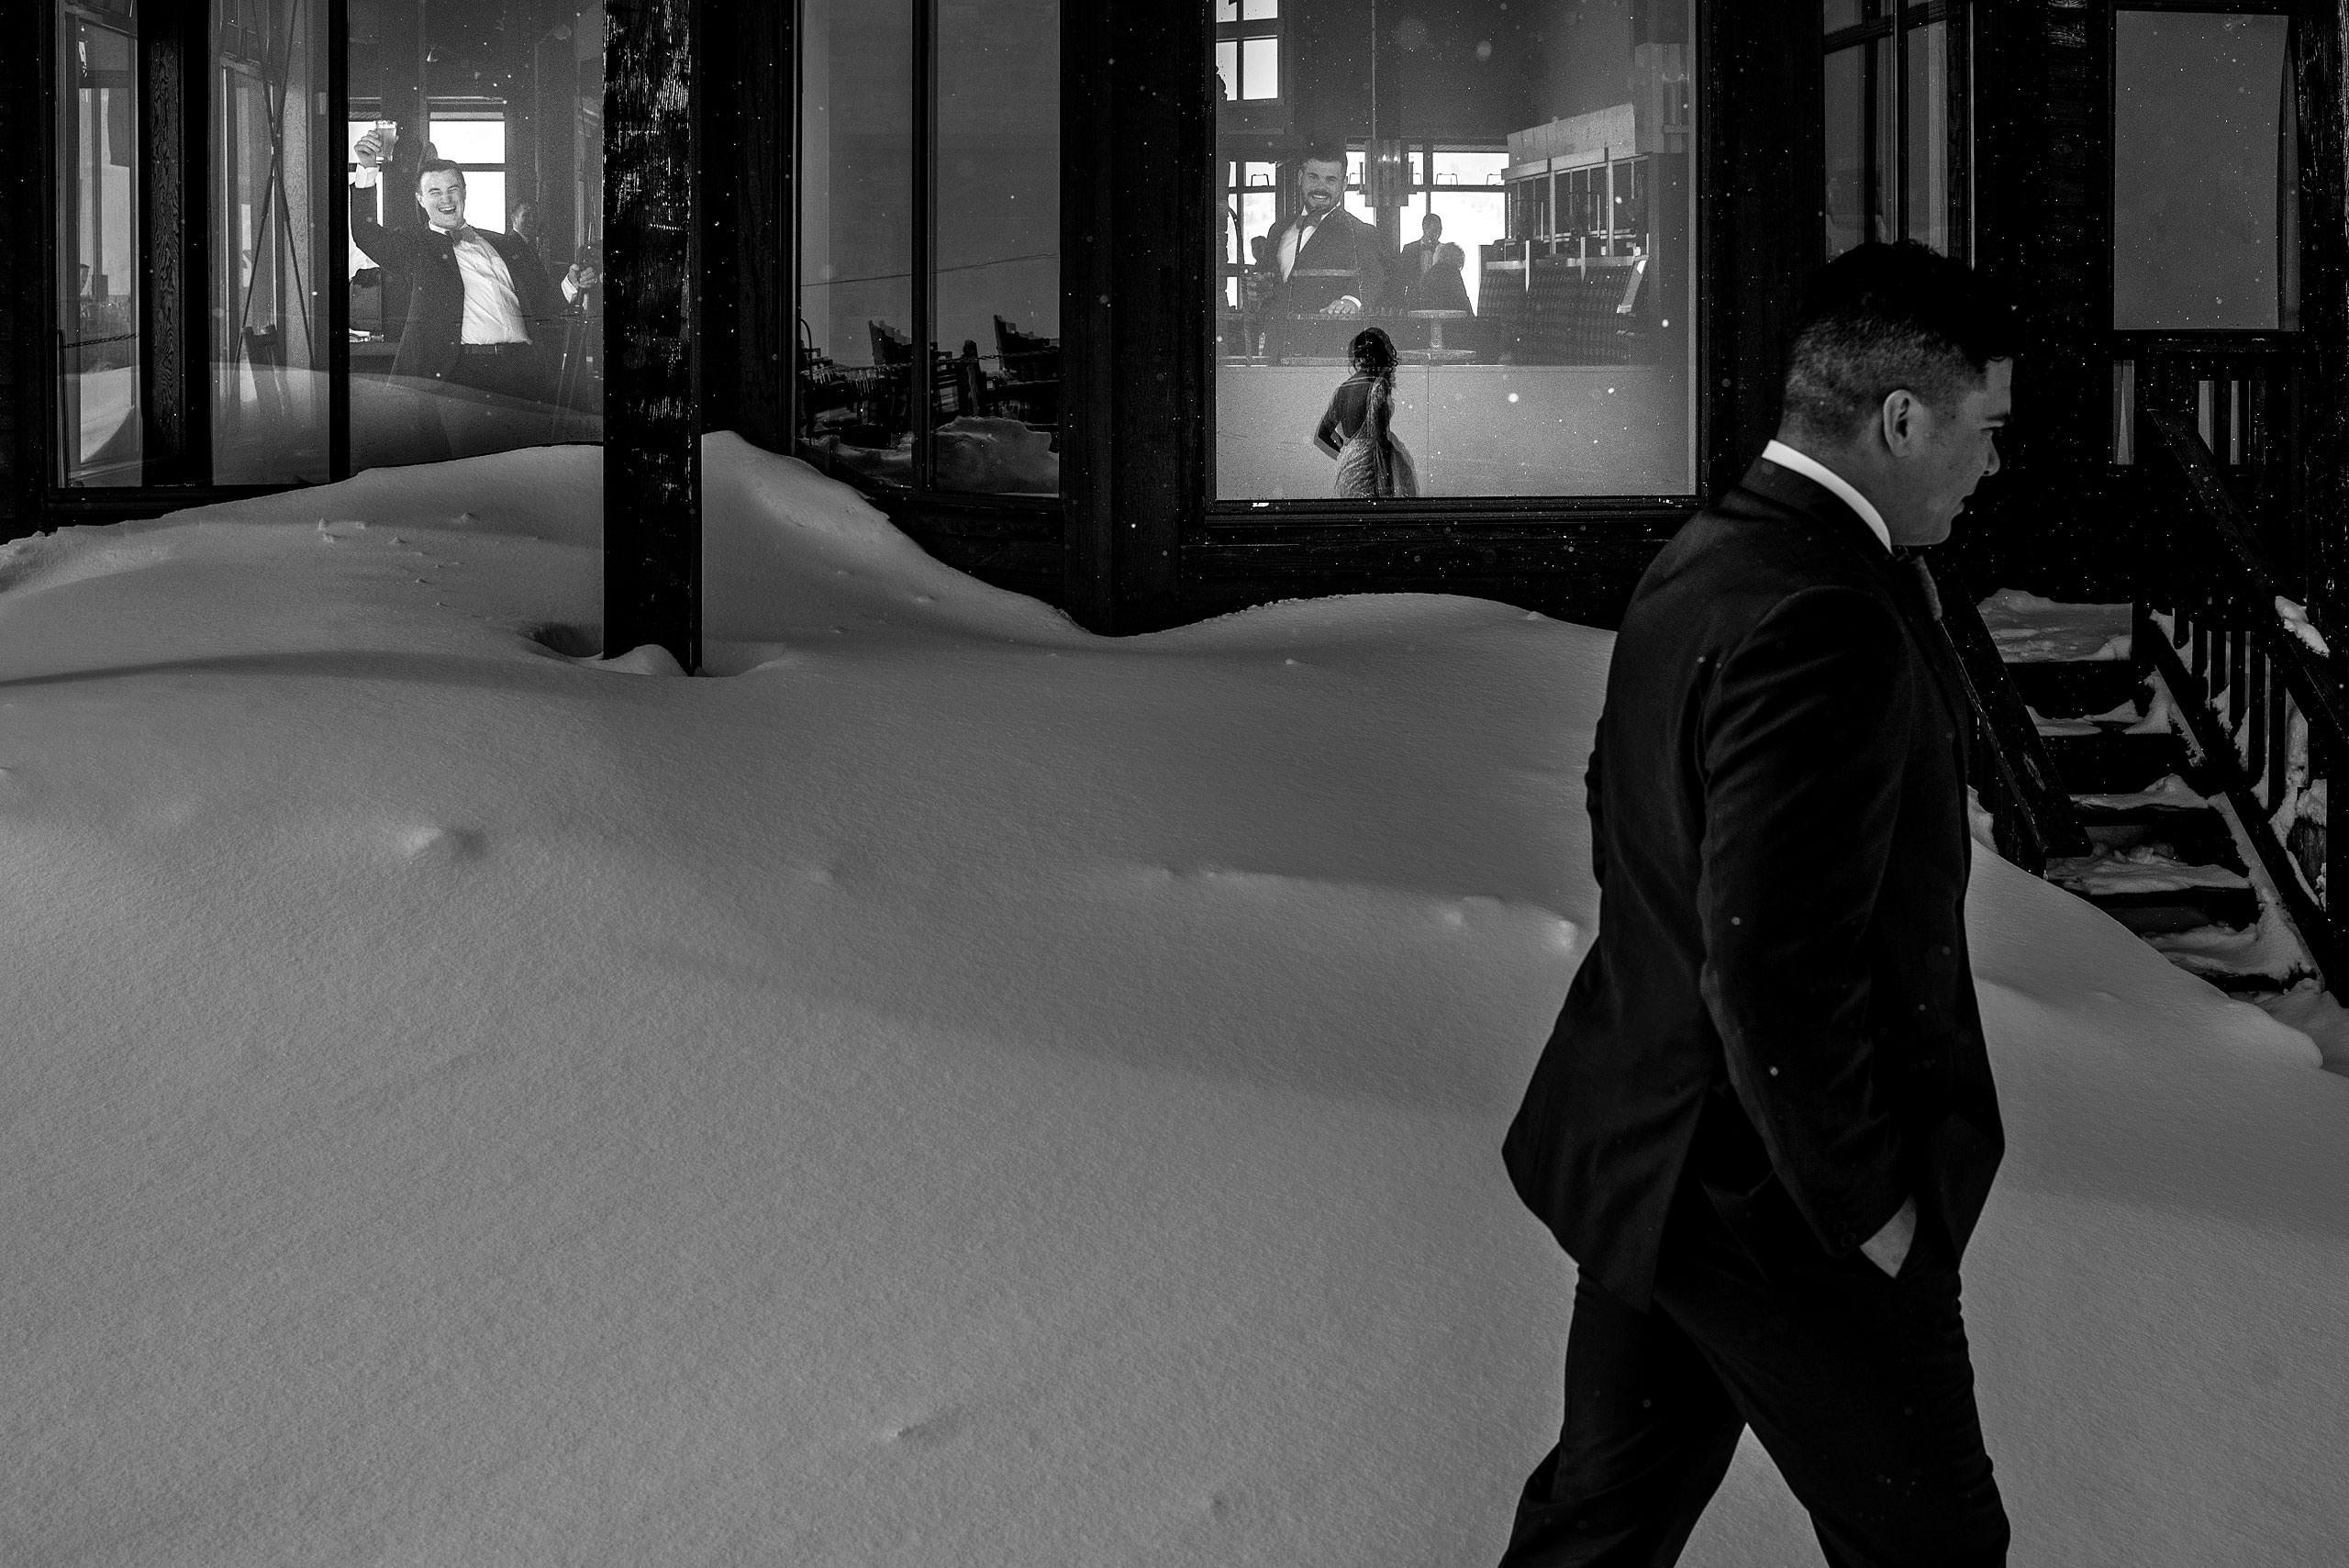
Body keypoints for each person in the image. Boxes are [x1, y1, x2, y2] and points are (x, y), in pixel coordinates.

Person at [1497, 240, 2017, 1568]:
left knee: (1597, 1535)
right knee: (1935, 1551)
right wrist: (1865, 1208)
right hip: (1780, 1201)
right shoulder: (1825, 611)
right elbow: (1771, 953)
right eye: (1984, 429)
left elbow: (1630, 816)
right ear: (1901, 419)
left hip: (1655, 1155)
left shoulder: (1710, 554)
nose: (1991, 465)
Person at [350, 127, 596, 444]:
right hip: (464, 375)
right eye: (435, 192)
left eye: (453, 189)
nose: (446, 199)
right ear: (420, 200)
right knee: (474, 476)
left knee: (526, 474)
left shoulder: (507, 245)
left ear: (464, 192)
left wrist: (571, 284)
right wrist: (368, 167)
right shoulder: (417, 248)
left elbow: (545, 306)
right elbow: (366, 234)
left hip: (526, 373)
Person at [1257, 144, 1387, 320]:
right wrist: (1257, 290)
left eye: (1330, 180)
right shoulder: (1278, 229)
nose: (1321, 187)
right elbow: (1268, 285)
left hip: (1326, 342)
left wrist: (1350, 301)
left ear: (1344, 185)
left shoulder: (1360, 232)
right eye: (1313, 177)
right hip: (1278, 342)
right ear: (1300, 177)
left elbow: (1373, 275)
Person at [1315, 327, 1418, 498]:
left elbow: (1322, 435)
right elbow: (1381, 440)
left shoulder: (1343, 389)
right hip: (1371, 470)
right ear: (1383, 356)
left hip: (1347, 469)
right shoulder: (1377, 386)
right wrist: (1387, 480)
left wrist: (1346, 451)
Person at [1391, 211, 1473, 315]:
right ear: (1425, 228)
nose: (1437, 233)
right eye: (1434, 230)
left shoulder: (1445, 251)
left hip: (1439, 301)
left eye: (1440, 230)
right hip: (1414, 300)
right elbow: (1402, 277)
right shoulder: (1409, 249)